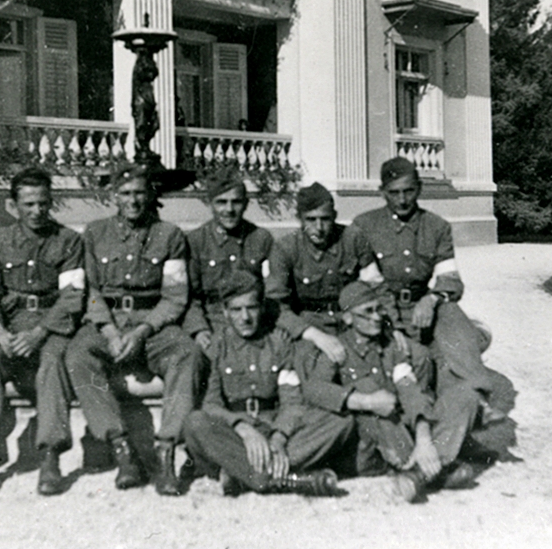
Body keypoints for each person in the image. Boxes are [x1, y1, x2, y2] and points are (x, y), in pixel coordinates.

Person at [66, 162, 202, 496]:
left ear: (150, 194)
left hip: (151, 323)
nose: (133, 200)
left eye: (140, 193)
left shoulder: (169, 235)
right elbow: (90, 291)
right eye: (125, 194)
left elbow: (174, 297)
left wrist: (142, 331)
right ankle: (122, 448)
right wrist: (110, 331)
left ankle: (167, 449)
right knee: (78, 355)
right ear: (114, 196)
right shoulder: (95, 233)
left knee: (187, 353)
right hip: (107, 321)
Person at [0, 168, 85, 496]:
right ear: (13, 205)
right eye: (28, 204)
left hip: (50, 324)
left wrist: (40, 333)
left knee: (54, 363)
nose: (37, 210)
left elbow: (72, 296)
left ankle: (50, 457)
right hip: (10, 325)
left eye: (43, 203)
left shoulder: (69, 241)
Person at [297, 281, 480, 503]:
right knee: (367, 388)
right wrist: (364, 401)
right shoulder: (338, 350)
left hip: (401, 434)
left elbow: (408, 387)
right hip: (367, 449)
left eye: (379, 309)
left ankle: (418, 473)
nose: (377, 317)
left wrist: (423, 439)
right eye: (368, 312)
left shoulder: (391, 345)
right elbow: (314, 389)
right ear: (347, 318)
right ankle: (434, 469)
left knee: (465, 396)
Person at [182, 271, 353, 497]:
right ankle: (280, 479)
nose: (245, 317)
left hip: (272, 426)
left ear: (261, 308)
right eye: (236, 310)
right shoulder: (216, 346)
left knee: (342, 421)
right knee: (195, 423)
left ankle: (245, 476)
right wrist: (242, 428)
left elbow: (292, 401)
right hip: (235, 434)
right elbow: (211, 404)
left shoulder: (279, 343)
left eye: (251, 308)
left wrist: (278, 438)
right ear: (225, 312)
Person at [351, 158, 499, 419]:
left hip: (422, 307)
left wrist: (431, 299)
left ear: (419, 188)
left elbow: (450, 278)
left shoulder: (437, 227)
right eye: (394, 193)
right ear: (382, 192)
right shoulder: (364, 226)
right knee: (421, 361)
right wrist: (392, 324)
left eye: (408, 191)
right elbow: (368, 284)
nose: (402, 200)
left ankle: (478, 396)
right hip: (381, 310)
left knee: (451, 312)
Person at [265, 182, 382, 364]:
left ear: (334, 216)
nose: (319, 227)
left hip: (352, 321)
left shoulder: (353, 239)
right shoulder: (285, 248)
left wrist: (393, 327)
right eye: (311, 219)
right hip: (309, 324)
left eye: (325, 219)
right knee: (310, 363)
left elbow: (376, 288)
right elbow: (277, 306)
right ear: (299, 219)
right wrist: (313, 335)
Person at [184, 167, 273, 351]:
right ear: (210, 204)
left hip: (252, 320)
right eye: (221, 202)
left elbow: (272, 292)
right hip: (213, 320)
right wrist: (199, 329)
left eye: (236, 202)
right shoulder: (196, 241)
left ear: (246, 204)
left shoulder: (261, 239)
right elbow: (190, 297)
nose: (229, 209)